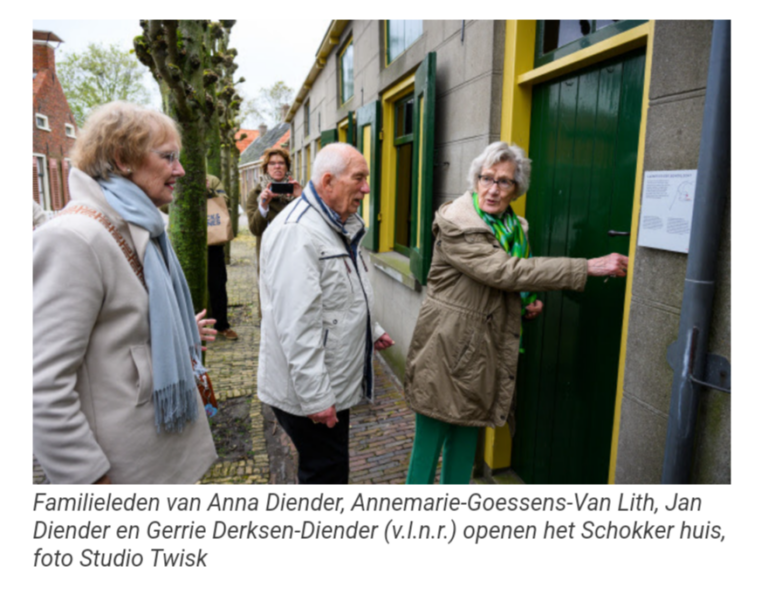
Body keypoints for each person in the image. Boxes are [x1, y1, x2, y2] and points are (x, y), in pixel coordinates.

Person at [404, 141, 629, 484]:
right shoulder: (458, 225)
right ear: (475, 180)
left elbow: (511, 284)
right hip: (446, 352)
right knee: (426, 455)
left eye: (504, 181)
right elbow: (506, 272)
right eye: (486, 178)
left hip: (482, 356)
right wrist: (588, 267)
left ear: (517, 189)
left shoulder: (515, 229)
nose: (493, 189)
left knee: (464, 451)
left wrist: (526, 303)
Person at [33, 101, 218, 484]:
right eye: (168, 157)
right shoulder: (73, 238)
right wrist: (89, 479)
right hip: (127, 472)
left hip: (163, 456)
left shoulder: (141, 227)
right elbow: (40, 384)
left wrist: (174, 332)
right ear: (122, 159)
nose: (180, 171)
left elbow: (116, 331)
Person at [258, 142, 394, 484]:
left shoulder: (336, 223)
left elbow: (338, 291)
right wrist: (316, 398)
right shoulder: (299, 233)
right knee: (326, 473)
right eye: (359, 178)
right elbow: (296, 326)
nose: (366, 188)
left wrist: (371, 329)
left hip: (330, 380)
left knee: (332, 466)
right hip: (309, 392)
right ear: (329, 182)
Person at [244, 147, 302, 276]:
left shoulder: (298, 192)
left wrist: (301, 198)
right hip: (270, 255)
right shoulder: (257, 194)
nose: (277, 167)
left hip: (296, 253)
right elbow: (255, 229)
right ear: (266, 168)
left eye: (281, 163)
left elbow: (311, 224)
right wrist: (263, 206)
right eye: (272, 163)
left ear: (287, 167)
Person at [206, 174, 238, 340]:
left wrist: (210, 191)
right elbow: (164, 207)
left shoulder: (212, 180)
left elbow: (225, 202)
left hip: (213, 244)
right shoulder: (175, 176)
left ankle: (222, 325)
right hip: (186, 241)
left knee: (218, 285)